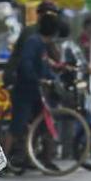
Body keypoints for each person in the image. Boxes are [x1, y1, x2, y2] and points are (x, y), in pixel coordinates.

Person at [9, 14, 59, 170]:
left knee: (45, 124)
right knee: (17, 127)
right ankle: (1, 162)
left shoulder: (43, 45)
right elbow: (26, 64)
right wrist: (37, 79)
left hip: (38, 92)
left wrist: (52, 79)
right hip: (25, 91)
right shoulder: (33, 42)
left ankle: (44, 160)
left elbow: (44, 68)